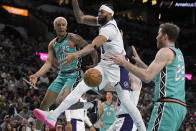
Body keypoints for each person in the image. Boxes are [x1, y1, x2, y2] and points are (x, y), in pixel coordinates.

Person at [33, 1, 146, 130]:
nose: (98, 14)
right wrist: (75, 2)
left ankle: (142, 128)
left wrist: (76, 55)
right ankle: (54, 115)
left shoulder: (109, 29)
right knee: (80, 87)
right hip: (104, 65)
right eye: (98, 11)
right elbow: (80, 18)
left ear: (110, 15)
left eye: (101, 12)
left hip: (118, 67)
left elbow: (93, 45)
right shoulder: (103, 22)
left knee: (126, 101)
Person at [110, 23, 187, 131]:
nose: (156, 37)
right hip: (179, 107)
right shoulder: (178, 54)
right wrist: (140, 62)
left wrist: (124, 63)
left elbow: (147, 77)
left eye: (158, 34)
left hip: (167, 106)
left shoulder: (165, 51)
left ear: (165, 36)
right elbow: (157, 77)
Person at [30, 16, 98, 131]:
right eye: (58, 25)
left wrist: (95, 64)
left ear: (66, 27)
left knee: (60, 102)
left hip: (75, 74)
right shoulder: (52, 44)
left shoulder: (74, 38)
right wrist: (36, 75)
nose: (61, 27)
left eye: (63, 24)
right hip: (61, 75)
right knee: (44, 104)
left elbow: (91, 48)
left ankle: (89, 106)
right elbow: (48, 63)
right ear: (54, 27)